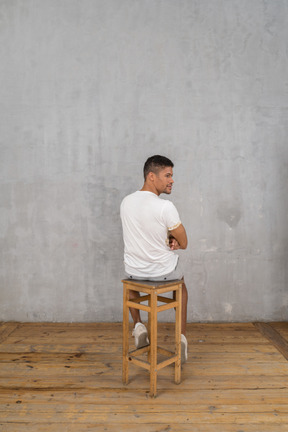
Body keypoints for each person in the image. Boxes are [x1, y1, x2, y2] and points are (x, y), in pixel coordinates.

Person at [120, 155, 188, 363]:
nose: (172, 180)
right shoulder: (165, 206)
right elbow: (184, 242)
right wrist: (173, 239)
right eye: (167, 175)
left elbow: (143, 234)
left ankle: (139, 325)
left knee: (132, 276)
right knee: (182, 288)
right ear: (151, 176)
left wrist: (167, 238)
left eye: (172, 176)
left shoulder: (126, 202)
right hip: (163, 273)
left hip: (135, 271)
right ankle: (181, 338)